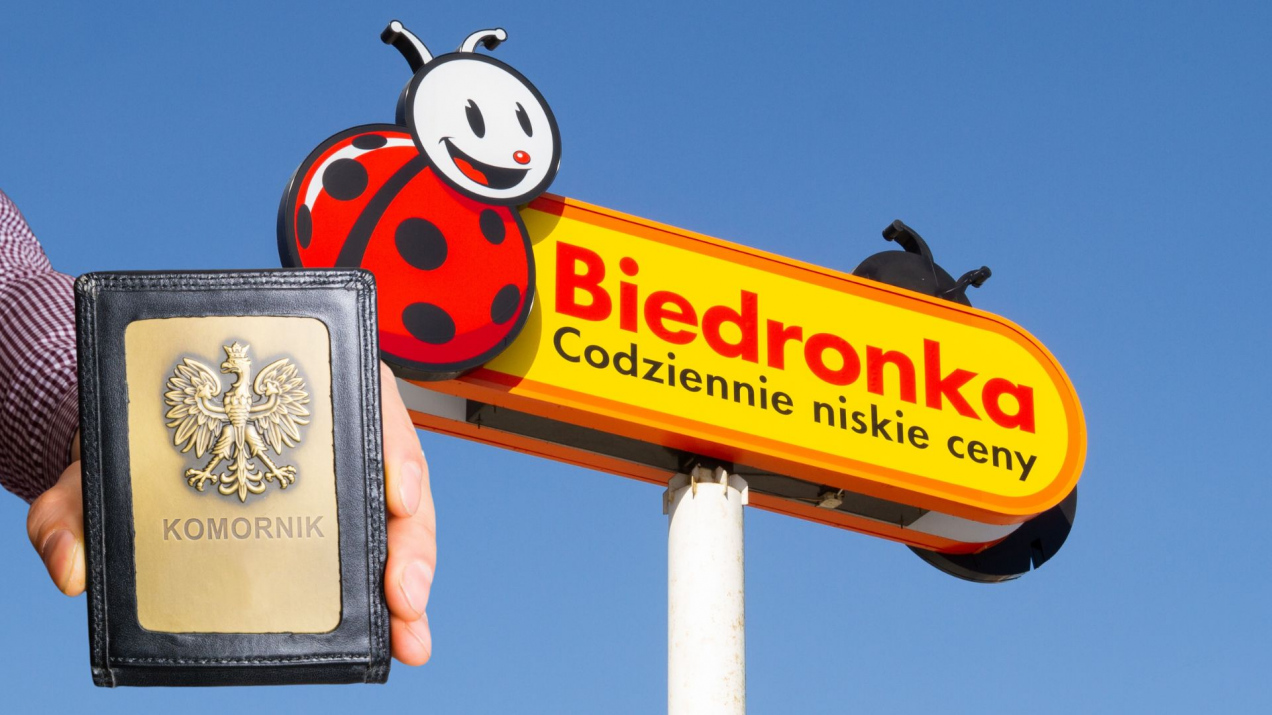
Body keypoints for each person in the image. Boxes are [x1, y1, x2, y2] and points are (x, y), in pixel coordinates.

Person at [0, 188, 436, 666]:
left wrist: (107, 413)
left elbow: (10, 291)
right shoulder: (220, 388)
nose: (232, 366)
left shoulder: (264, 386)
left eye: (235, 363)